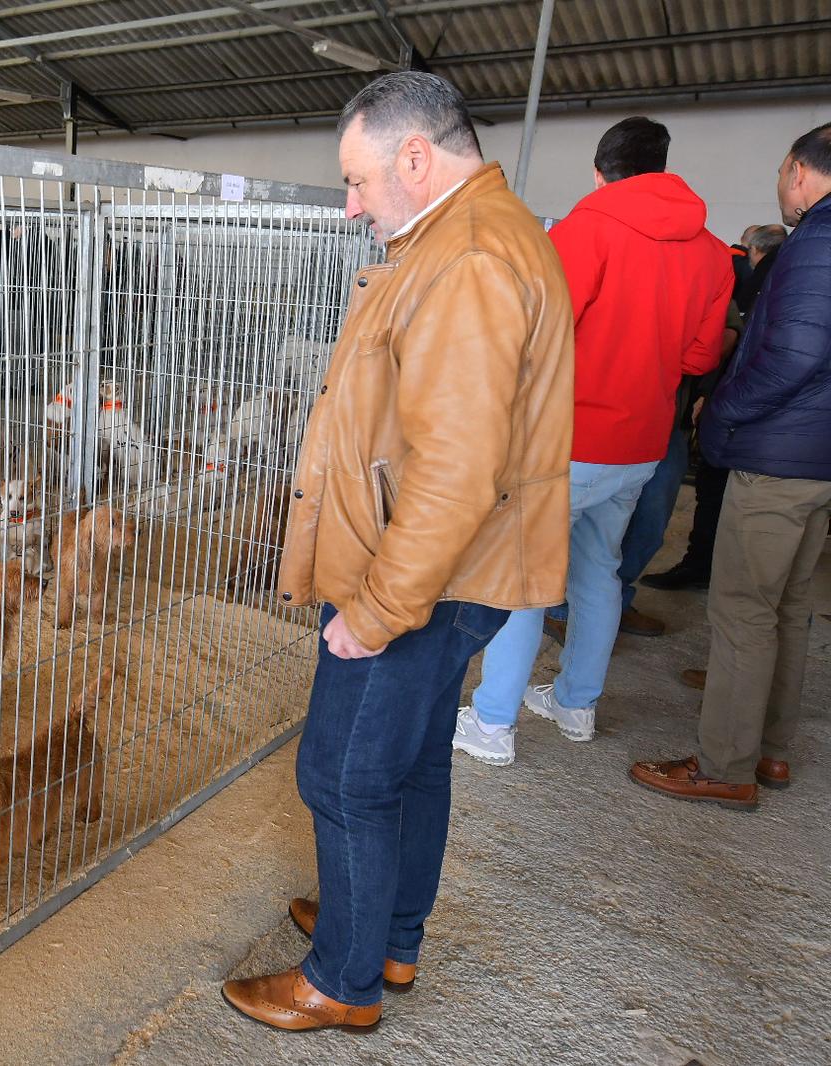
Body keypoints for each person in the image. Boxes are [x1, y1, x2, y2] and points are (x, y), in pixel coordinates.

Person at [219, 72, 573, 1034]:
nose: (352, 203)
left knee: (341, 775)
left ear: (415, 158)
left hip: (423, 575)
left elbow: (455, 470)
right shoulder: (477, 233)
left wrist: (373, 611)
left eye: (359, 180)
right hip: (462, 568)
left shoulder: (463, 259)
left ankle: (342, 979)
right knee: (412, 764)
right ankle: (385, 932)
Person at [453, 117, 730, 767]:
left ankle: (492, 723)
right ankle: (576, 704)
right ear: (662, 169)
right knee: (596, 571)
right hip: (640, 446)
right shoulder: (715, 253)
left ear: (600, 170)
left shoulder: (586, 230)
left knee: (521, 579)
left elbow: (539, 332)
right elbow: (698, 355)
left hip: (567, 440)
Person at [633, 123, 831, 808]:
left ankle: (725, 765)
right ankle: (770, 752)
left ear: (801, 171)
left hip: (777, 457)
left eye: (782, 169)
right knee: (786, 608)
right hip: (815, 460)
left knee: (744, 611)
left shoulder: (817, 243)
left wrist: (720, 411)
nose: (781, 184)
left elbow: (793, 356)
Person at [643, 223, 789, 595]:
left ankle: (617, 596)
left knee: (652, 517)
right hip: (613, 416)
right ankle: (574, 604)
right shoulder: (626, 265)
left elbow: (729, 334)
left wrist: (699, 375)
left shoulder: (713, 274)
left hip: (673, 417)